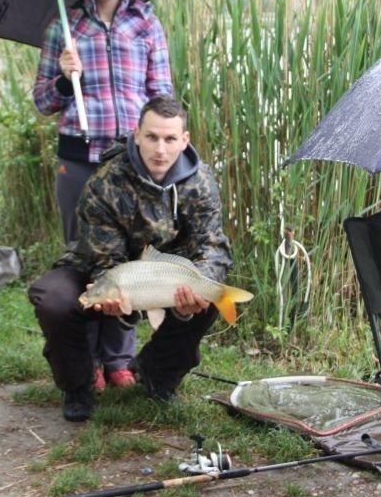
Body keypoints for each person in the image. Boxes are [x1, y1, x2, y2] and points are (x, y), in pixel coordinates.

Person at [28, 96, 233, 422]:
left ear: (184, 140)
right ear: (136, 134)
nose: (160, 149)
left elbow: (213, 247)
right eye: (152, 137)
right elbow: (103, 257)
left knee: (208, 294)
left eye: (169, 139)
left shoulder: (201, 181)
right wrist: (116, 302)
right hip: (101, 269)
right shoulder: (107, 180)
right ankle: (78, 384)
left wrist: (199, 283)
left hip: (167, 272)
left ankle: (157, 373)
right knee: (54, 300)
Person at [32, 0, 174, 391]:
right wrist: (62, 77)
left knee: (130, 256)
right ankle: (88, 358)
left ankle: (119, 360)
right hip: (78, 159)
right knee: (85, 258)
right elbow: (41, 101)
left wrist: (161, 151)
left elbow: (163, 96)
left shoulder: (145, 20)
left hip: (130, 163)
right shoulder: (65, 26)